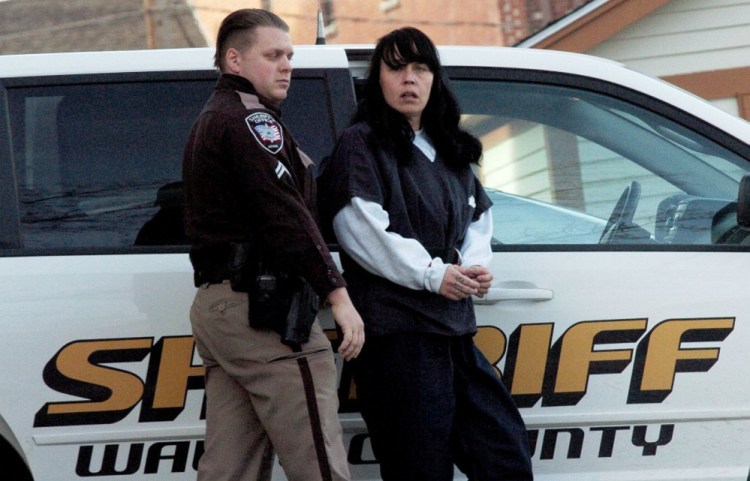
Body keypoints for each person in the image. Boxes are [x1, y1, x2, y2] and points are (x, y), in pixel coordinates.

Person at [317, 27, 533, 481]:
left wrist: (474, 269)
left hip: (454, 331)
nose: (409, 79)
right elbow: (360, 228)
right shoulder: (362, 143)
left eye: (420, 68)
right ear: (378, 78)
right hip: (399, 339)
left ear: (435, 79)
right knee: (420, 468)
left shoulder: (450, 148)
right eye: (396, 68)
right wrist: (434, 275)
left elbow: (478, 219)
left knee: (504, 453)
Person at [182, 9, 364, 481]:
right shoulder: (250, 122)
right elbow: (285, 215)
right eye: (273, 55)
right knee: (318, 464)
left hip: (223, 308)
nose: (286, 66)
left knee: (232, 467)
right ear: (234, 59)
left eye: (289, 55)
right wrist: (337, 295)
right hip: (261, 313)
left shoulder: (215, 117)